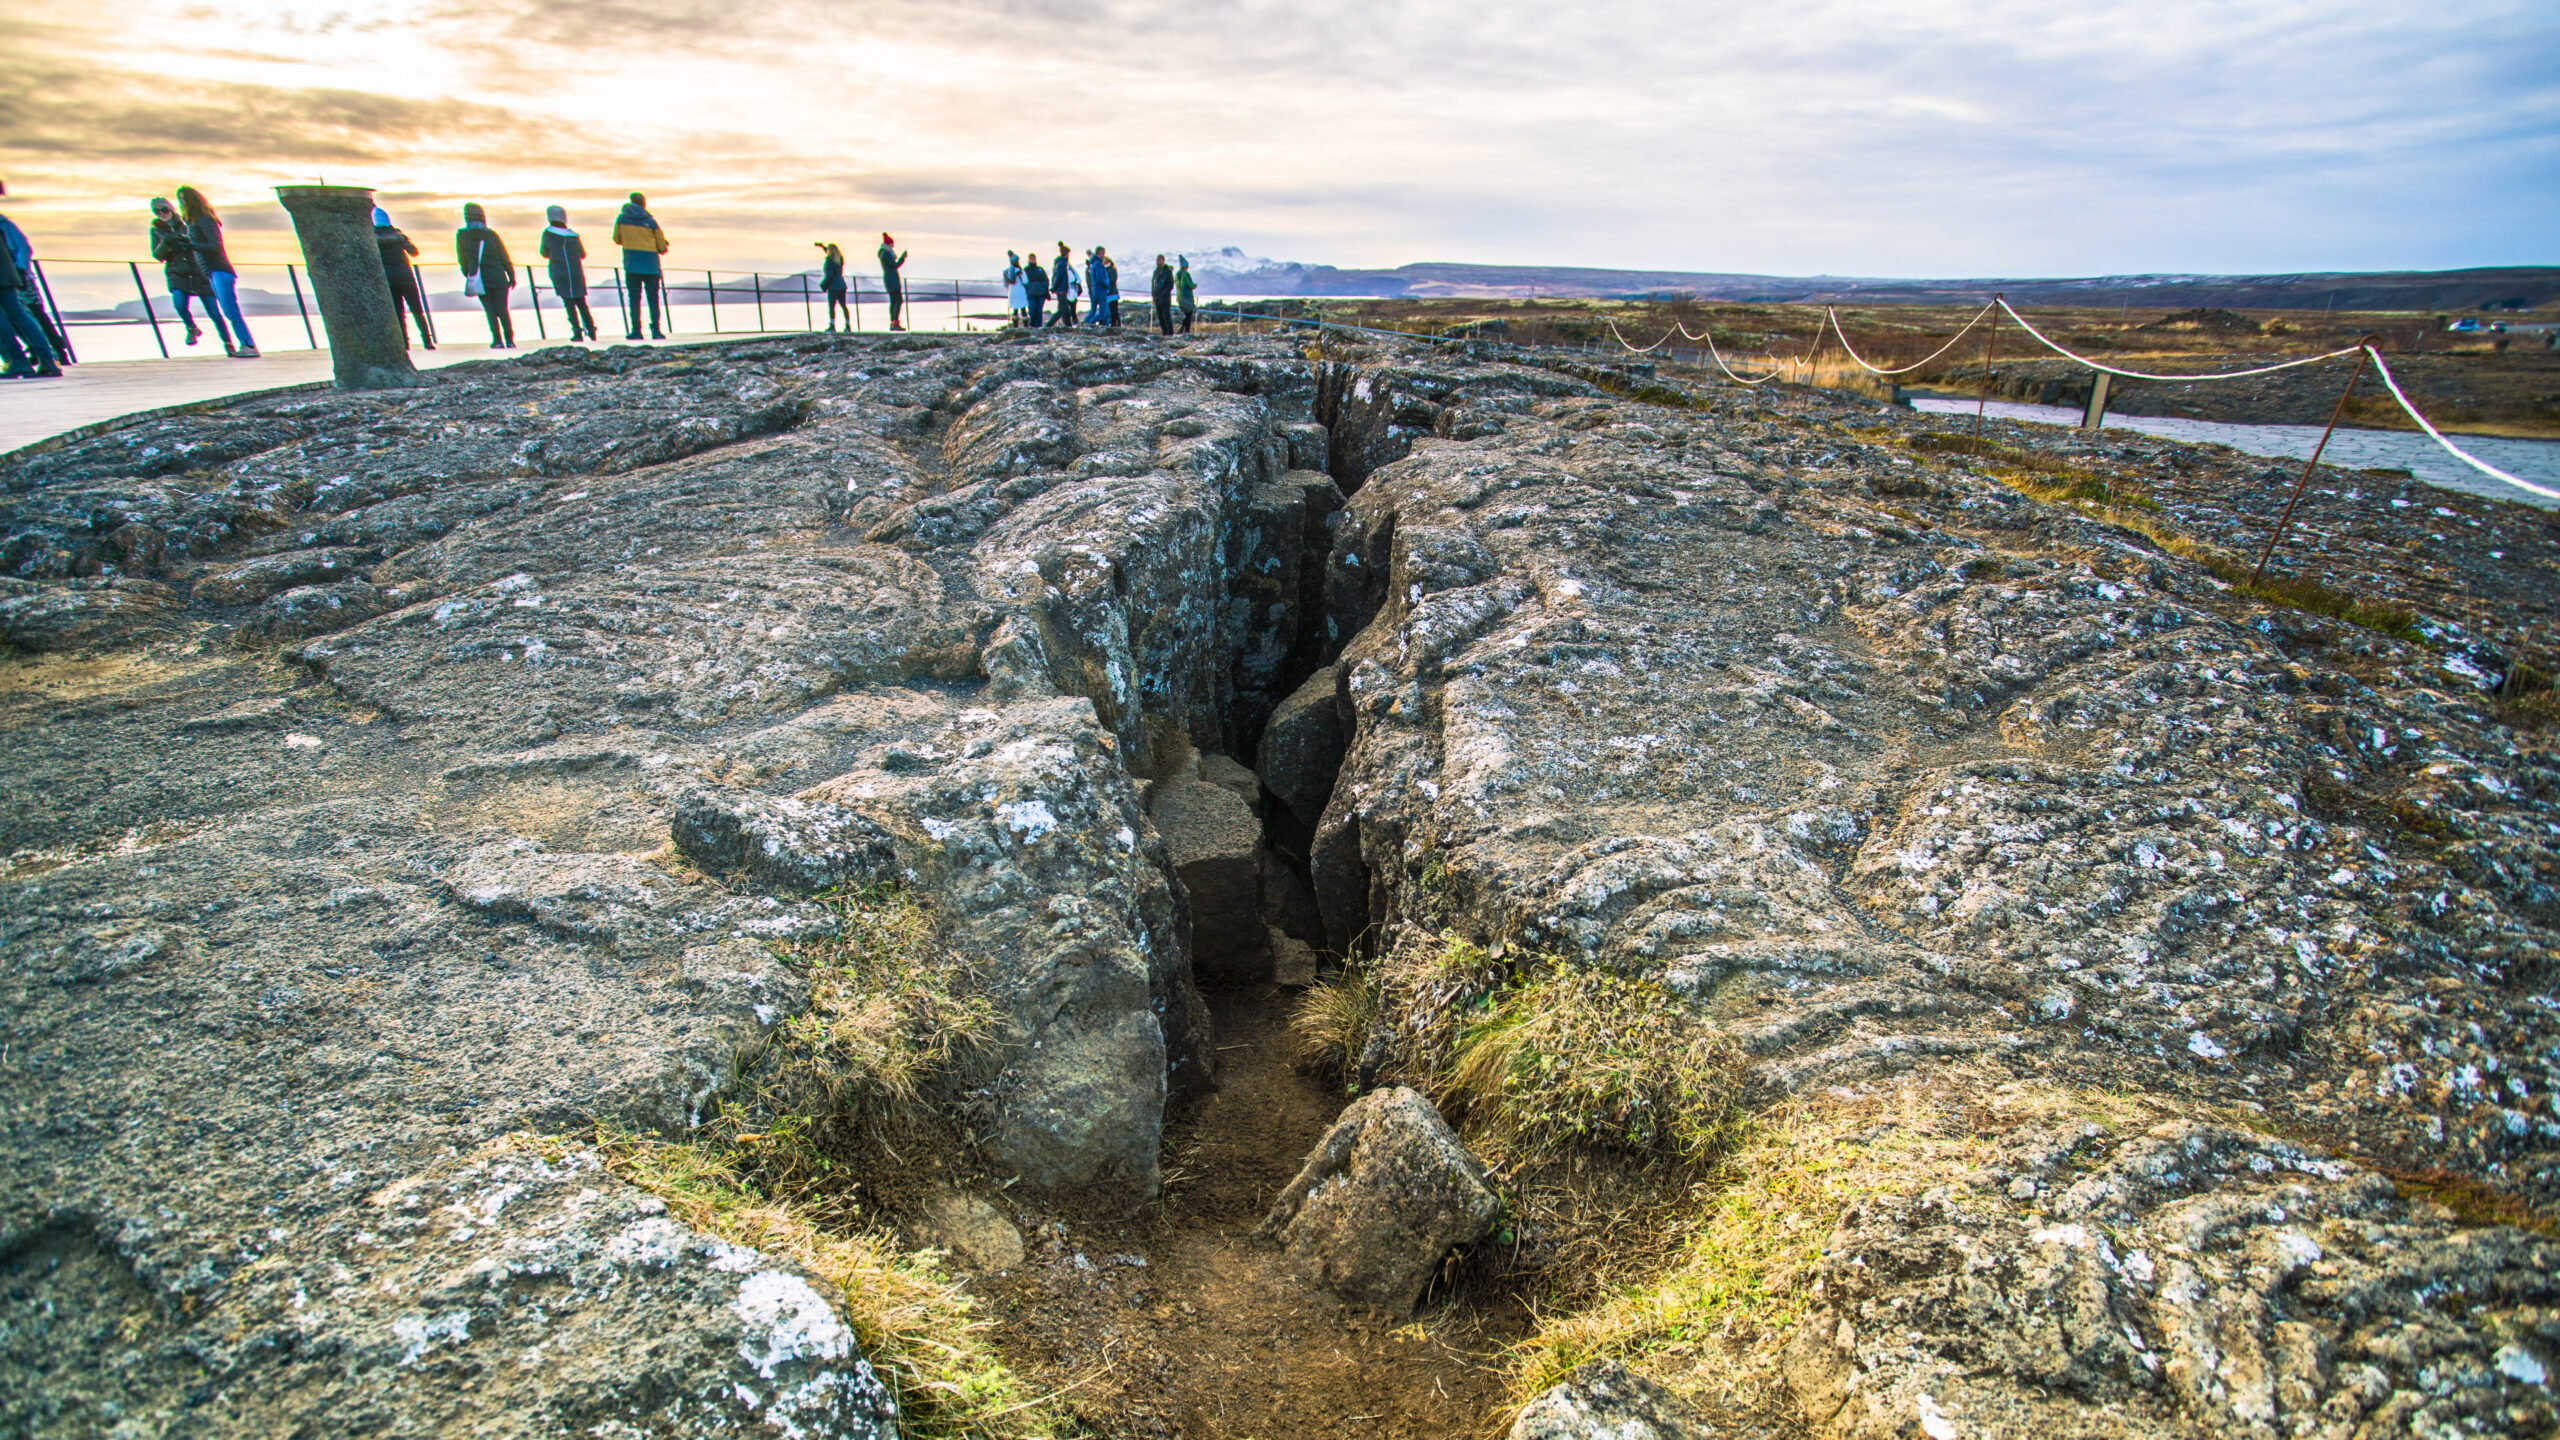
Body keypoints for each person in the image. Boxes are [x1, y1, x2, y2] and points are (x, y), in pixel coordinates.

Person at [176, 186, 255, 358]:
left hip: (220, 270)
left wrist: (191, 245)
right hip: (211, 272)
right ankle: (246, 344)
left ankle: (248, 345)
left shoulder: (204, 220)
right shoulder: (193, 223)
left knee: (230, 310)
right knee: (228, 310)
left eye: (184, 200)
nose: (182, 204)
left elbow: (215, 245)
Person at [0, 184, 69, 365]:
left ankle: (43, 356)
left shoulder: (5, 225)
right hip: (13, 275)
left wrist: (21, 269)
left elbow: (23, 247)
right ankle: (45, 356)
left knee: (28, 314)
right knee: (20, 314)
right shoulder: (4, 224)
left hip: (16, 276)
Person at [150, 197, 222, 349]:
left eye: (164, 210)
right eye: (158, 211)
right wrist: (166, 243)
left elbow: (198, 242)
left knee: (214, 313)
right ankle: (191, 328)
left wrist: (186, 241)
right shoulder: (156, 230)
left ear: (171, 209)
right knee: (179, 304)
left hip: (197, 271)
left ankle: (229, 343)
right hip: (176, 272)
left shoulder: (186, 223)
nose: (162, 213)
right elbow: (157, 255)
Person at [456, 203, 516, 348]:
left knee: (489, 309)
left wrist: (469, 273)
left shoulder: (462, 235)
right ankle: (509, 340)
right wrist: (511, 275)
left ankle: (497, 340)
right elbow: (503, 255)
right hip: (498, 276)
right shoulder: (491, 235)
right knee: (502, 309)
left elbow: (462, 259)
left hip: (479, 278)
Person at [0, 231, 57, 379]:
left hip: (5, 273)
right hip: (7, 272)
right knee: (18, 313)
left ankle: (18, 361)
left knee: (6, 318)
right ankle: (48, 360)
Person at [374, 207, 433, 350]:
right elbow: (414, 252)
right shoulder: (398, 236)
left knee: (398, 312)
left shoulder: (372, 238)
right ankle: (427, 340)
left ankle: (404, 342)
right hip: (406, 277)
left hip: (388, 279)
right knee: (417, 310)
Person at [613, 192, 669, 340]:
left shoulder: (622, 219)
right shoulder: (650, 221)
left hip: (632, 264)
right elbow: (662, 246)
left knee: (634, 299)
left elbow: (616, 239)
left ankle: (636, 330)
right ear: (643, 203)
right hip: (651, 265)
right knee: (653, 298)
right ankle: (656, 330)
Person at [541, 207, 597, 341]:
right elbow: (582, 254)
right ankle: (590, 328)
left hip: (559, 271)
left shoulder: (548, 234)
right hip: (576, 272)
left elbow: (544, 252)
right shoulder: (573, 235)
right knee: (581, 302)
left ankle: (577, 331)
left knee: (569, 303)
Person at [815, 242, 852, 331]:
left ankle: (832, 326)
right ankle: (847, 326)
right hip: (842, 285)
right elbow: (831, 252)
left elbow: (829, 276)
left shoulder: (829, 262)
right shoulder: (839, 260)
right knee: (843, 306)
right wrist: (823, 247)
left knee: (832, 307)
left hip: (833, 287)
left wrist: (823, 285)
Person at [878, 233, 908, 330]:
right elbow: (895, 265)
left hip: (889, 279)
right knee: (898, 300)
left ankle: (893, 322)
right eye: (891, 244)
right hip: (892, 280)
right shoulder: (886, 254)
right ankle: (895, 322)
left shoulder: (884, 254)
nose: (893, 246)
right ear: (888, 244)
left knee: (894, 301)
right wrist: (902, 258)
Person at [1050, 243, 1077, 328]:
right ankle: (1049, 324)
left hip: (1061, 289)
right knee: (1062, 309)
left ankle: (1068, 325)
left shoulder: (1058, 263)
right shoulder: (1062, 264)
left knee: (1065, 309)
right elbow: (1059, 277)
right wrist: (1054, 287)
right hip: (1061, 289)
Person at [1023, 246, 1049, 328]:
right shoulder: (1025, 270)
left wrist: (1044, 287)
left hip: (1041, 293)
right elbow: (1024, 282)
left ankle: (1038, 325)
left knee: (1039, 310)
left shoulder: (1040, 269)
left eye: (1033, 258)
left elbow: (1046, 280)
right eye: (1030, 258)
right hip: (1031, 294)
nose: (1032, 260)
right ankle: (1032, 324)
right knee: (1032, 309)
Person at [1151, 253, 1175, 336]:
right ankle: (1164, 333)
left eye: (1159, 260)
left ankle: (1170, 333)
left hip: (1165, 299)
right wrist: (1153, 295)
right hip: (1157, 298)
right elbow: (1153, 283)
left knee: (1166, 316)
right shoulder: (1156, 271)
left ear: (1163, 261)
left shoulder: (1167, 272)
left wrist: (1163, 293)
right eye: (1157, 260)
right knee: (1160, 317)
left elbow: (1170, 285)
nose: (1158, 262)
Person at [1175, 255, 1198, 334]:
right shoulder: (1185, 274)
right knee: (1189, 314)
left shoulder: (1176, 275)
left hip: (1179, 298)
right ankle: (1186, 330)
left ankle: (1181, 329)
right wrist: (1195, 285)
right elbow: (1190, 285)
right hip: (1187, 297)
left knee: (1186, 314)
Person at [1004, 251, 1027, 327]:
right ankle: (1025, 326)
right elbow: (1026, 281)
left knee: (1015, 310)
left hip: (1012, 292)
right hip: (1021, 292)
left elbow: (1006, 284)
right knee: (1023, 310)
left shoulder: (1007, 271)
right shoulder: (1021, 271)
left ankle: (1015, 326)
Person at [1100, 247, 1121, 327]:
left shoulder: (1111, 269)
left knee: (1114, 311)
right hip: (1108, 294)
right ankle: (1112, 323)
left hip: (1112, 294)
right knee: (1109, 310)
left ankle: (1116, 324)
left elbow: (1112, 280)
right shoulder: (1106, 269)